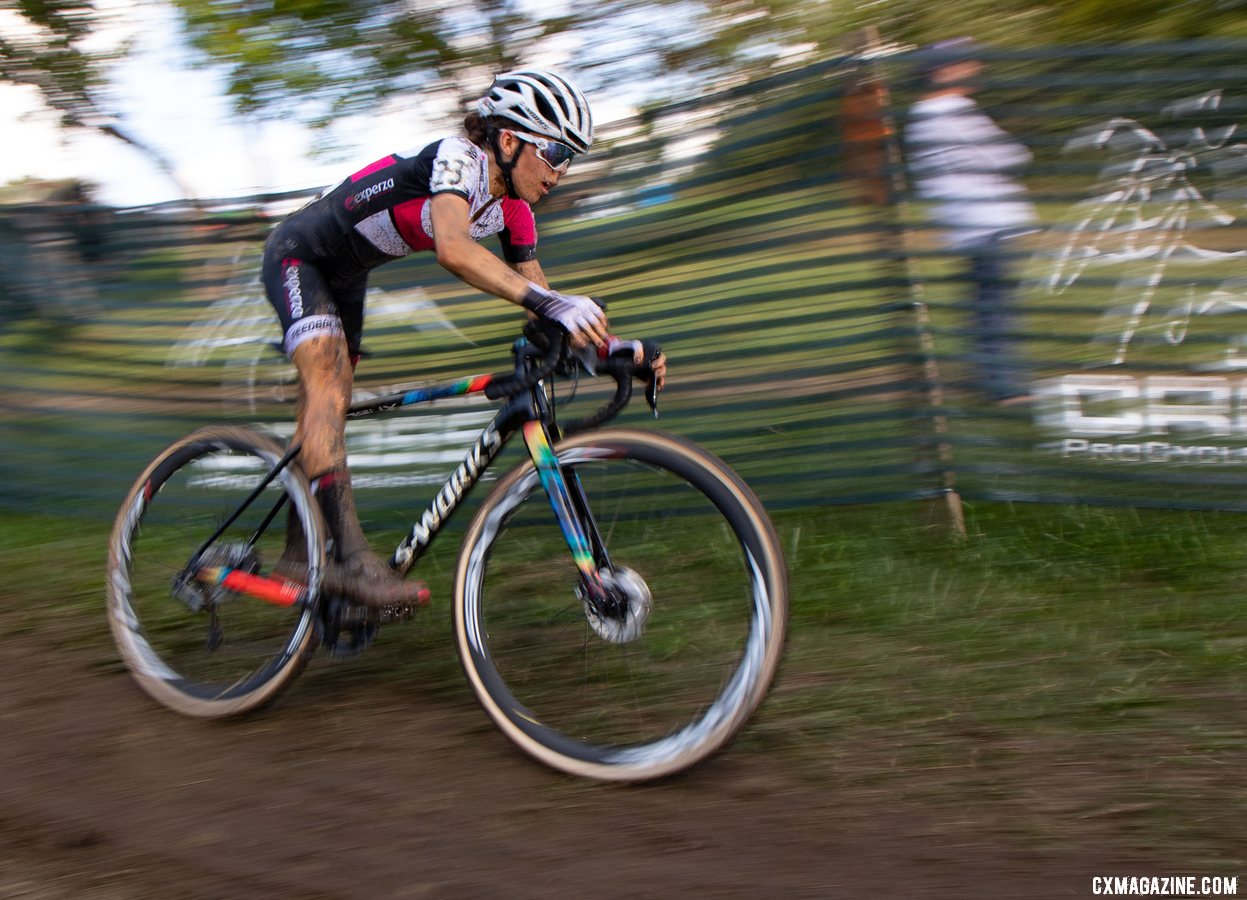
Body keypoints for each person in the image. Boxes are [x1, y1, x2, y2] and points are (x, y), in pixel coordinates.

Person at [261, 68, 667, 608]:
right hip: (298, 255)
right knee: (329, 385)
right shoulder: (458, 157)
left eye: (571, 158)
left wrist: (612, 351)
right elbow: (453, 247)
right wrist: (552, 304)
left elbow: (545, 307)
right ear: (507, 139)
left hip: (348, 275)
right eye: (554, 154)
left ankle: (298, 554)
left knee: (325, 405)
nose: (561, 172)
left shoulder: (516, 211)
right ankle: (354, 560)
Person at [904, 38, 1037, 405]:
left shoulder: (921, 116)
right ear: (943, 71)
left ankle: (990, 377)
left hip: (967, 220)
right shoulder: (951, 110)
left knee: (987, 303)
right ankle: (1004, 387)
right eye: (964, 62)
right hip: (985, 219)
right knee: (994, 306)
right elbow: (1008, 156)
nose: (974, 67)